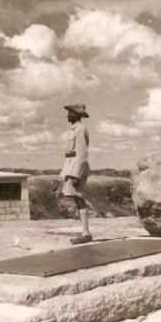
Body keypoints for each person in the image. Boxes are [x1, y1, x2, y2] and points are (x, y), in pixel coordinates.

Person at [60, 103, 92, 245]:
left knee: (79, 198)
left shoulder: (80, 129)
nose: (67, 115)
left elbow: (82, 154)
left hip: (76, 168)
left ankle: (86, 233)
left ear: (76, 114)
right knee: (76, 198)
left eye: (70, 113)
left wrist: (76, 175)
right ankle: (85, 232)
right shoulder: (74, 129)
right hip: (71, 165)